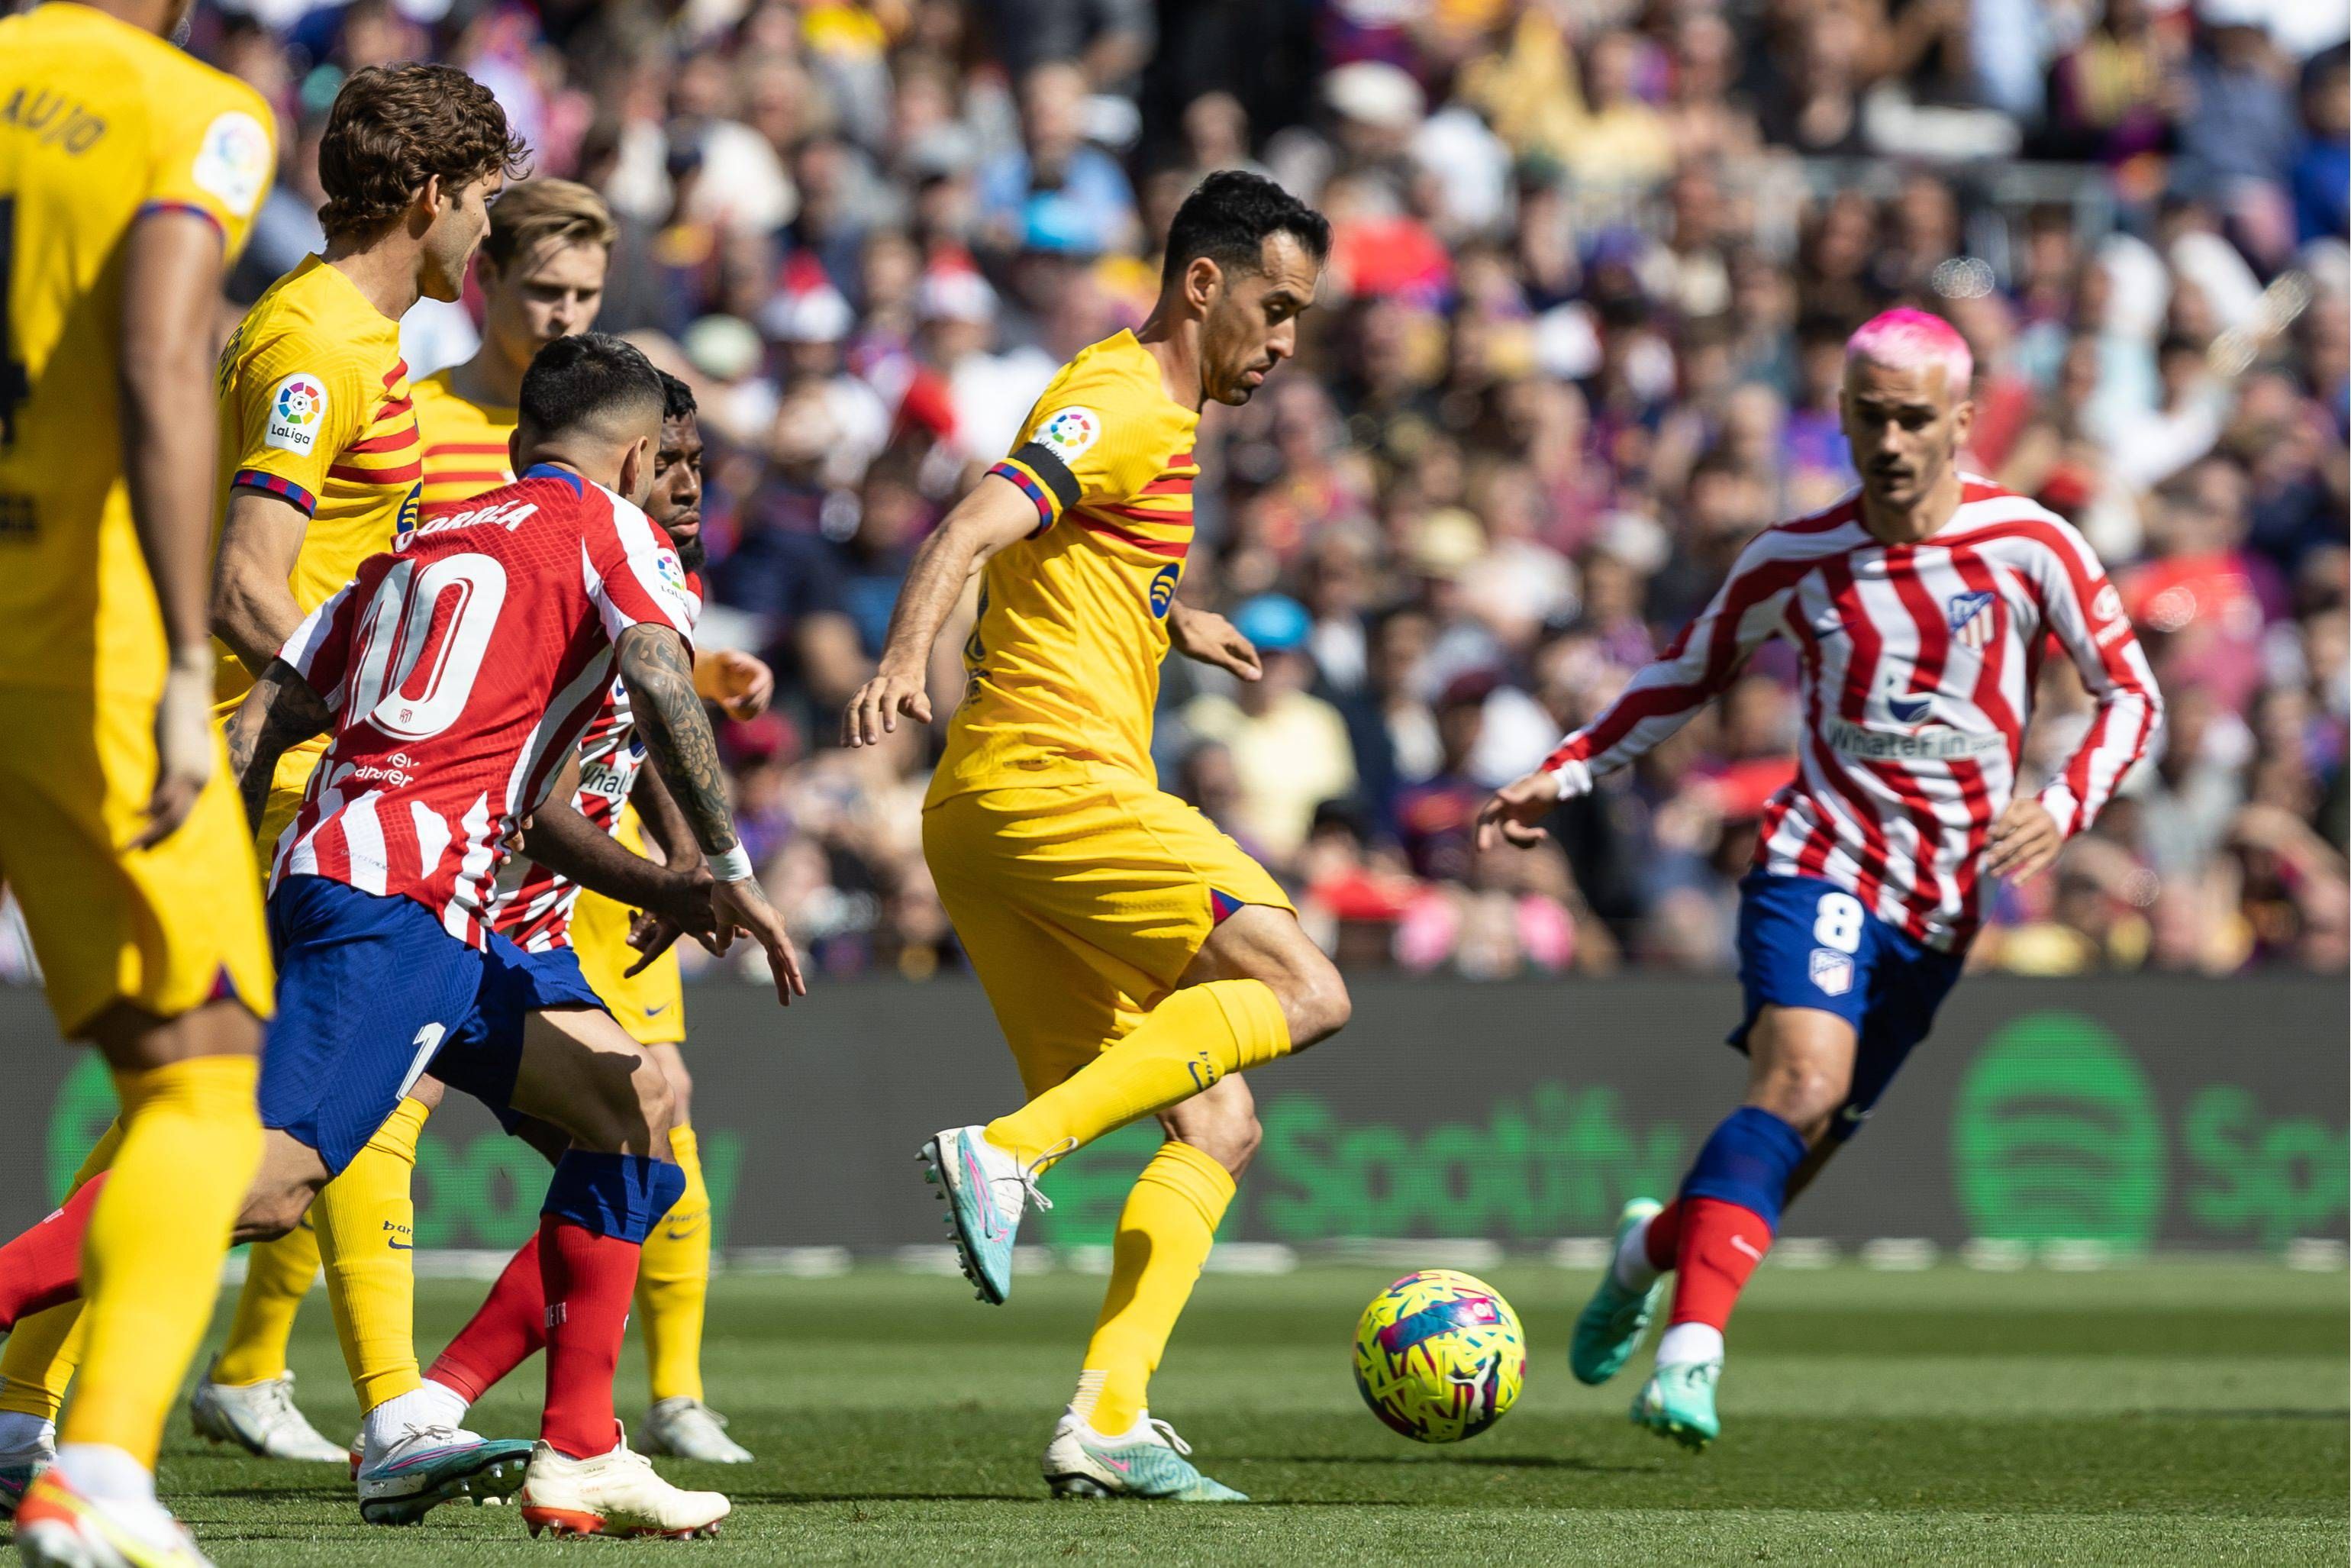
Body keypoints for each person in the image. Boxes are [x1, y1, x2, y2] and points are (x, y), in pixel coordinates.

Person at [1478, 308, 2164, 1450]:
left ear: (1959, 418)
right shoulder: (1796, 555)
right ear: (1840, 417)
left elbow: (2131, 692)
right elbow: (1684, 673)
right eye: (1869, 416)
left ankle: (1652, 1251)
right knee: (1797, 1081)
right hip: (1821, 856)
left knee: (1800, 1137)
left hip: (1945, 904)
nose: (1891, 441)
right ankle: (1691, 1355)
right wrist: (1569, 770)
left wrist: (2062, 800)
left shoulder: (2031, 544)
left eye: (1913, 418)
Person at [0, 62, 535, 1508]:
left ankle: (25, 1401)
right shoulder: (317, 346)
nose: (486, 238)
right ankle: (370, 1415)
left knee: (213, 1104)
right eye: (483, 203)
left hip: (308, 765)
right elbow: (250, 575)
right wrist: (373, 701)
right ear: (430, 195)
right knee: (274, 1126)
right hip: (281, 768)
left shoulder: (358, 339)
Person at [843, 170, 1350, 1501]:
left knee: (1218, 1124)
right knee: (1305, 986)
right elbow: (974, 518)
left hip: (994, 824)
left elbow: (1074, 542)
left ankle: (1107, 1418)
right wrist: (906, 653)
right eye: (1276, 307)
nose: (1286, 340)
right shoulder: (1124, 398)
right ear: (1204, 283)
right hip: (1053, 781)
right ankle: (1006, 1152)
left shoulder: (1151, 416)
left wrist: (1171, 613)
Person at [404, 186, 772, 1463]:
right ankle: (424, 1404)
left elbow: (633, 721)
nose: (681, 486)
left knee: (647, 1115)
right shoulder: (486, 471)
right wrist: (692, 877)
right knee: (287, 1168)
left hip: (544, 892)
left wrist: (677, 866)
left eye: (694, 470)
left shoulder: (642, 541)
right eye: (667, 462)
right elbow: (522, 771)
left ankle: (520, 1417)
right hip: (447, 878)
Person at [0, 2, 278, 1561]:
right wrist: (187, 659)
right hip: (76, 643)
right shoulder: (191, 110)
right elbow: (166, 352)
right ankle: (95, 1470)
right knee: (200, 1066)